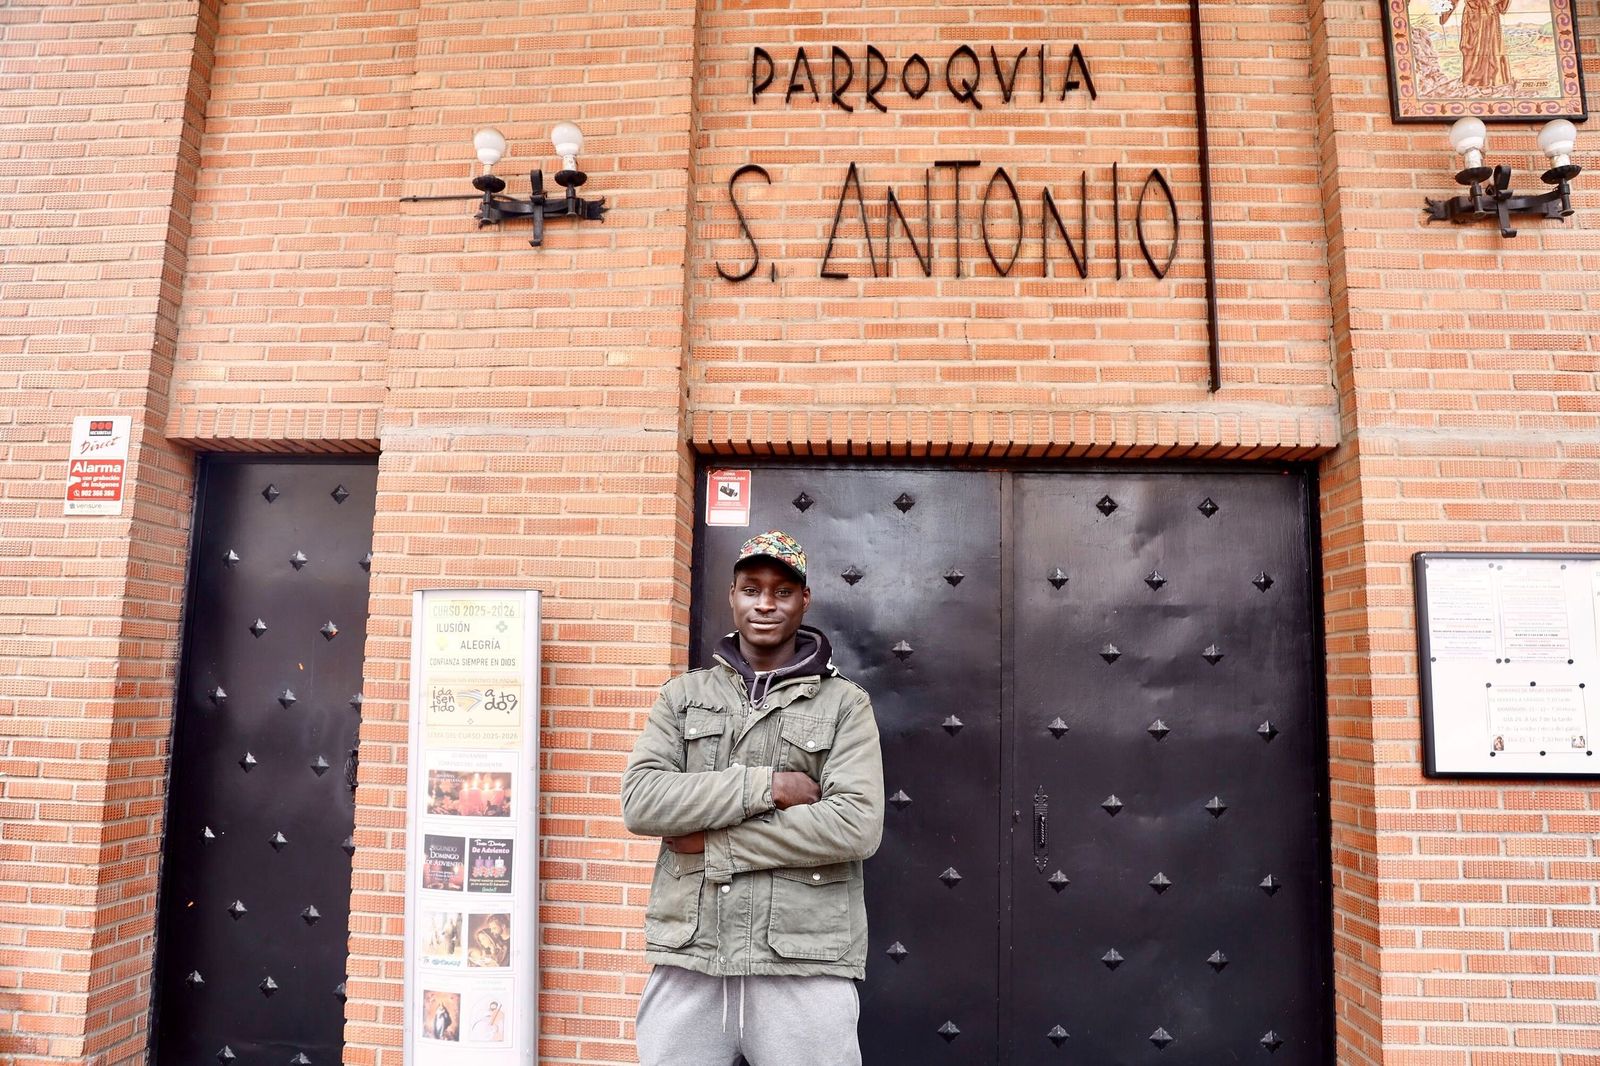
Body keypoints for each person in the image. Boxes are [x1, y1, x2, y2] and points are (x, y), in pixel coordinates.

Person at [622, 530, 885, 1066]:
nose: (765, 604)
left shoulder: (844, 705)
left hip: (802, 964)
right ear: (732, 596)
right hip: (690, 959)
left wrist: (716, 845)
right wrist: (767, 786)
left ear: (803, 600)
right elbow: (643, 801)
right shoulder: (682, 697)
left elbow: (856, 825)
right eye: (751, 589)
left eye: (782, 591)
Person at [1441, 0, 1511, 89]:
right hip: (1473, 18)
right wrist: (1443, 9)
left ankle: (1493, 80)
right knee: (1473, 51)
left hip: (1490, 18)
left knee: (1493, 51)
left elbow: (1502, 7)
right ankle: (1474, 81)